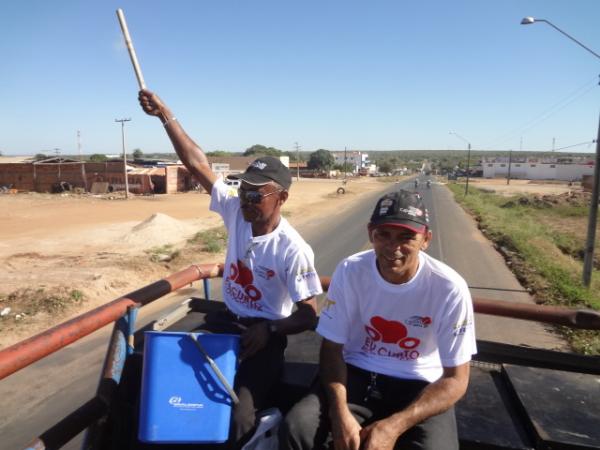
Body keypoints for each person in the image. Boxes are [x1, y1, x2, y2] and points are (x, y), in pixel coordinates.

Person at [138, 90, 323, 448]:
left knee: (237, 415)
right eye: (243, 192)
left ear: (281, 198)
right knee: (159, 381)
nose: (246, 201)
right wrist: (165, 114)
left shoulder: (293, 250)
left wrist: (270, 329)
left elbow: (309, 315)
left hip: (263, 339)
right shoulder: (237, 212)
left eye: (256, 196)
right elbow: (197, 164)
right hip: (226, 323)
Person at [279, 190, 476, 450]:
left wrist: (394, 425)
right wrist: (339, 416)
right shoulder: (351, 271)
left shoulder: (449, 287)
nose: (393, 247)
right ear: (371, 233)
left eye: (406, 237)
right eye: (384, 234)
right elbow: (332, 348)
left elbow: (455, 380)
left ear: (425, 239)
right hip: (356, 374)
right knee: (297, 427)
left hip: (420, 384)